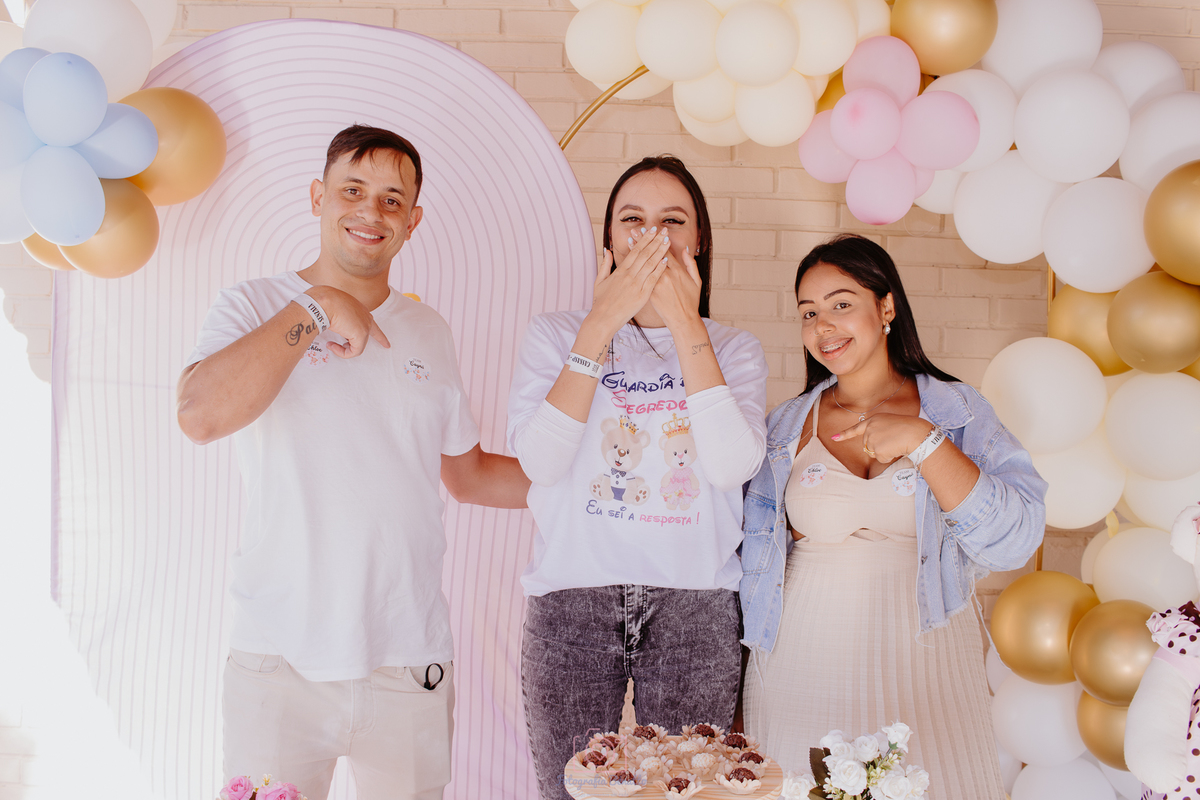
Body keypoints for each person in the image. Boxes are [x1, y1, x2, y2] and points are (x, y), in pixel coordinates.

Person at [176, 125, 530, 800]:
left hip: (408, 666)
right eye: (353, 190)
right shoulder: (251, 305)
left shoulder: (430, 331)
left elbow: (470, 475)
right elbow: (199, 415)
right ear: (318, 197)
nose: (372, 211)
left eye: (393, 200)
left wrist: (594, 488)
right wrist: (318, 307)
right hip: (278, 663)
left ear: (412, 222)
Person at [739, 235, 1046, 799]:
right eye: (808, 313)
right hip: (803, 660)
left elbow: (1014, 540)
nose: (823, 326)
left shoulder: (958, 412)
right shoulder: (784, 427)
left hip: (927, 660)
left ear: (886, 307)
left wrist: (924, 442)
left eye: (841, 303)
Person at [506, 156, 769, 800]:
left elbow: (731, 465)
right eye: (633, 219)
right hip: (572, 601)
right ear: (609, 239)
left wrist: (685, 322)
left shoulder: (735, 348)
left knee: (689, 794)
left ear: (698, 240)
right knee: (566, 793)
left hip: (694, 606)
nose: (652, 236)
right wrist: (600, 323)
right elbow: (541, 463)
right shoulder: (555, 335)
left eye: (672, 221)